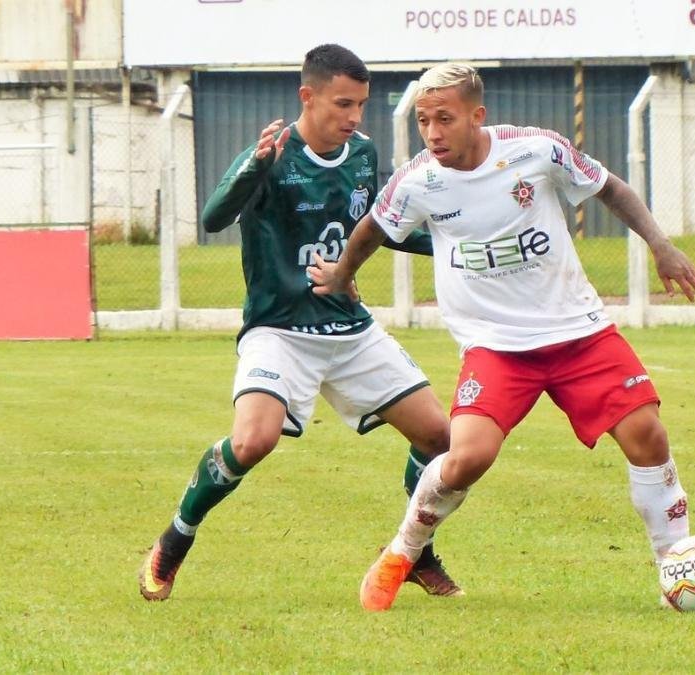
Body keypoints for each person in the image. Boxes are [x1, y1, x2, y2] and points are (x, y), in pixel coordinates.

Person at [309, 62, 695, 612]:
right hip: (495, 347)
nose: (433, 132)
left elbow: (610, 188)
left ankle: (678, 572)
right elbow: (374, 227)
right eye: (424, 121)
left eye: (445, 119)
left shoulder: (535, 151)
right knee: (468, 456)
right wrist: (343, 273)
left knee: (648, 435)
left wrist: (660, 244)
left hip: (578, 333)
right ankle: (403, 551)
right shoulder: (419, 180)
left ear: (478, 115)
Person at [138, 44, 463, 602]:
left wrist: (456, 241)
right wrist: (253, 167)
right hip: (280, 329)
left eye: (360, 104)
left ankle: (414, 552)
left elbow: (381, 227)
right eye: (343, 103)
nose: (354, 117)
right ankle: (174, 540)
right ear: (307, 97)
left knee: (442, 439)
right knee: (254, 439)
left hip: (348, 328)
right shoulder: (273, 153)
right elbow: (214, 216)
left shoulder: (361, 153)